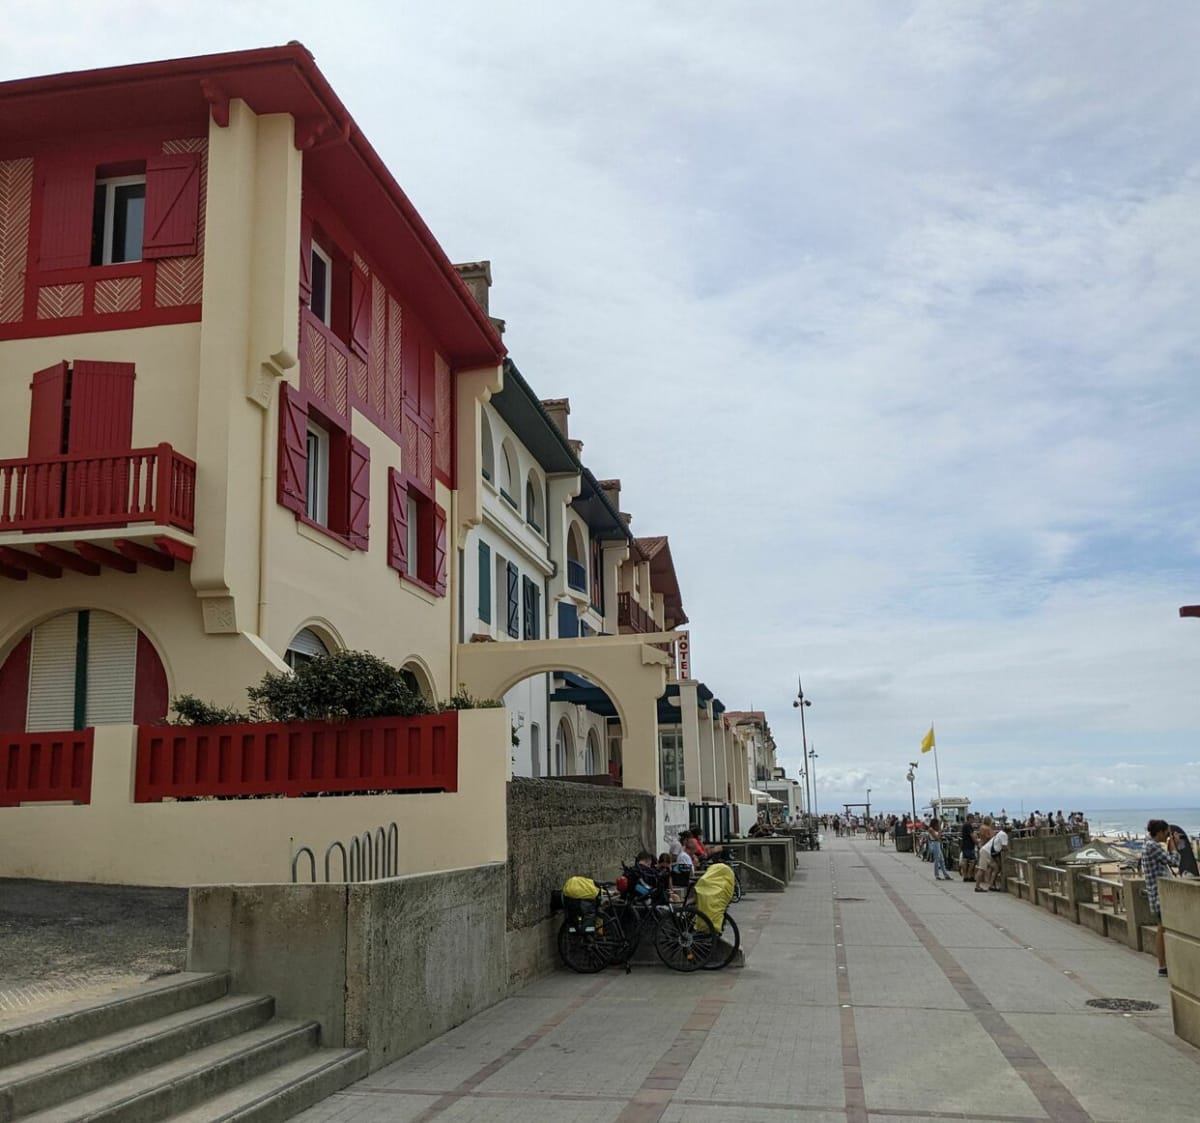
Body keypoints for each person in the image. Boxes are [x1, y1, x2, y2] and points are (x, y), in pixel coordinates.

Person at [1142, 820, 1180, 977]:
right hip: (1159, 896)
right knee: (1162, 929)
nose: (1167, 836)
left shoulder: (1148, 845)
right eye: (1166, 833)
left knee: (1162, 928)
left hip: (1156, 895)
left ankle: (1164, 966)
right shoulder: (1153, 846)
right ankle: (1163, 966)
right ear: (1159, 832)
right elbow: (1174, 862)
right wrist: (1174, 846)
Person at [975, 826, 1009, 892]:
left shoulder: (1000, 833)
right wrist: (1010, 851)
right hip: (986, 852)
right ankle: (977, 887)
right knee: (981, 869)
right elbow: (1004, 846)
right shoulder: (1004, 835)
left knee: (996, 868)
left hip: (988, 852)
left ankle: (991, 885)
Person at [960, 815, 977, 883]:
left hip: (964, 845)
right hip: (969, 845)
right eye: (973, 819)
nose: (973, 820)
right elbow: (972, 835)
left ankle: (965, 876)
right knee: (973, 860)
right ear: (969, 818)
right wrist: (976, 842)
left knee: (965, 860)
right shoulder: (968, 826)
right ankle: (969, 875)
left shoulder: (964, 825)